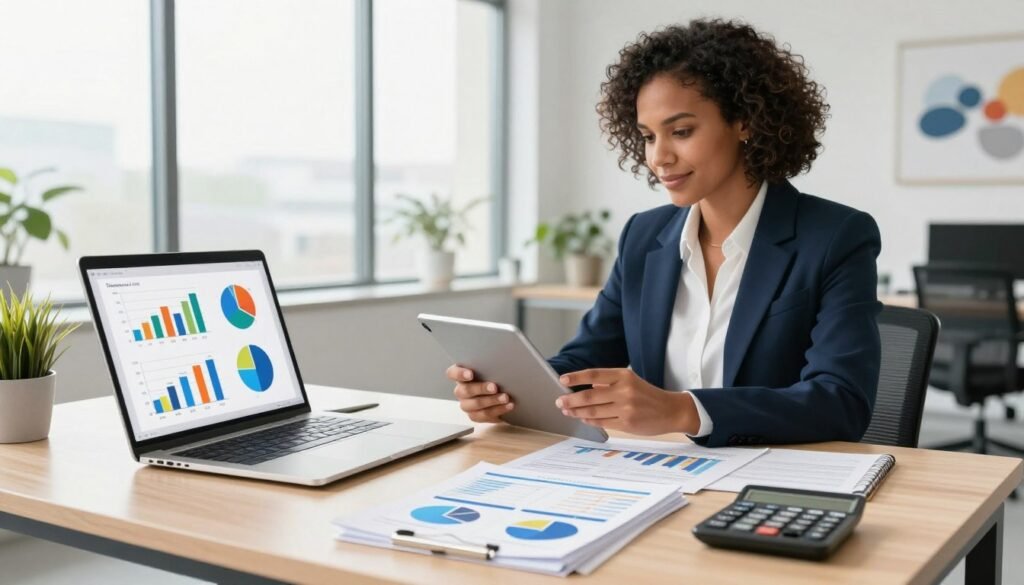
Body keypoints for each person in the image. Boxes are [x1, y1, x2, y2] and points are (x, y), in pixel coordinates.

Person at [447, 19, 881, 448]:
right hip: (661, 471)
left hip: (775, 474)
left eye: (681, 131)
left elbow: (840, 401)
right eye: (648, 136)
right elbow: (586, 359)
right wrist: (510, 392)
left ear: (745, 121)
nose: (659, 157)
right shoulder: (644, 235)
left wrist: (682, 410)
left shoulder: (836, 237)